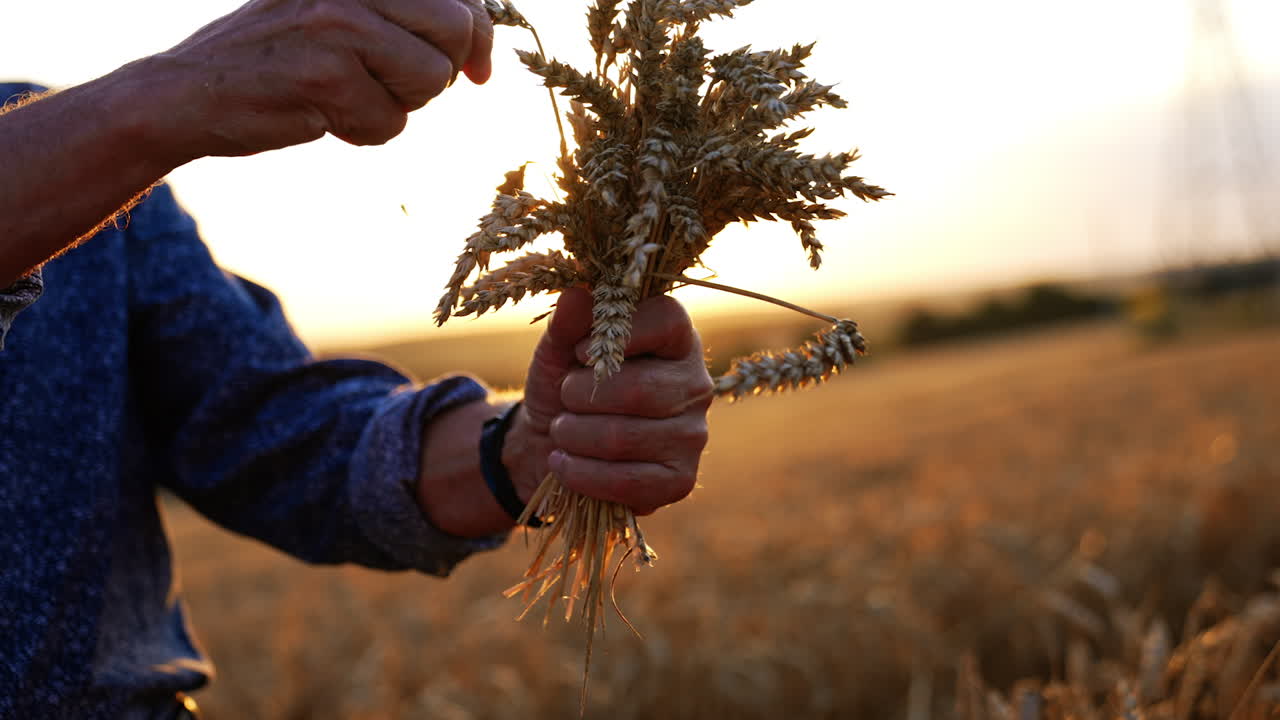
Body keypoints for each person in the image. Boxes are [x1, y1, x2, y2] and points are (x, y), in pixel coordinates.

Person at [0, 1, 713, 717]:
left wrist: (526, 448)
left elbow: (280, 434)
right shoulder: (108, 134)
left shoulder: (97, 165)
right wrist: (165, 96)